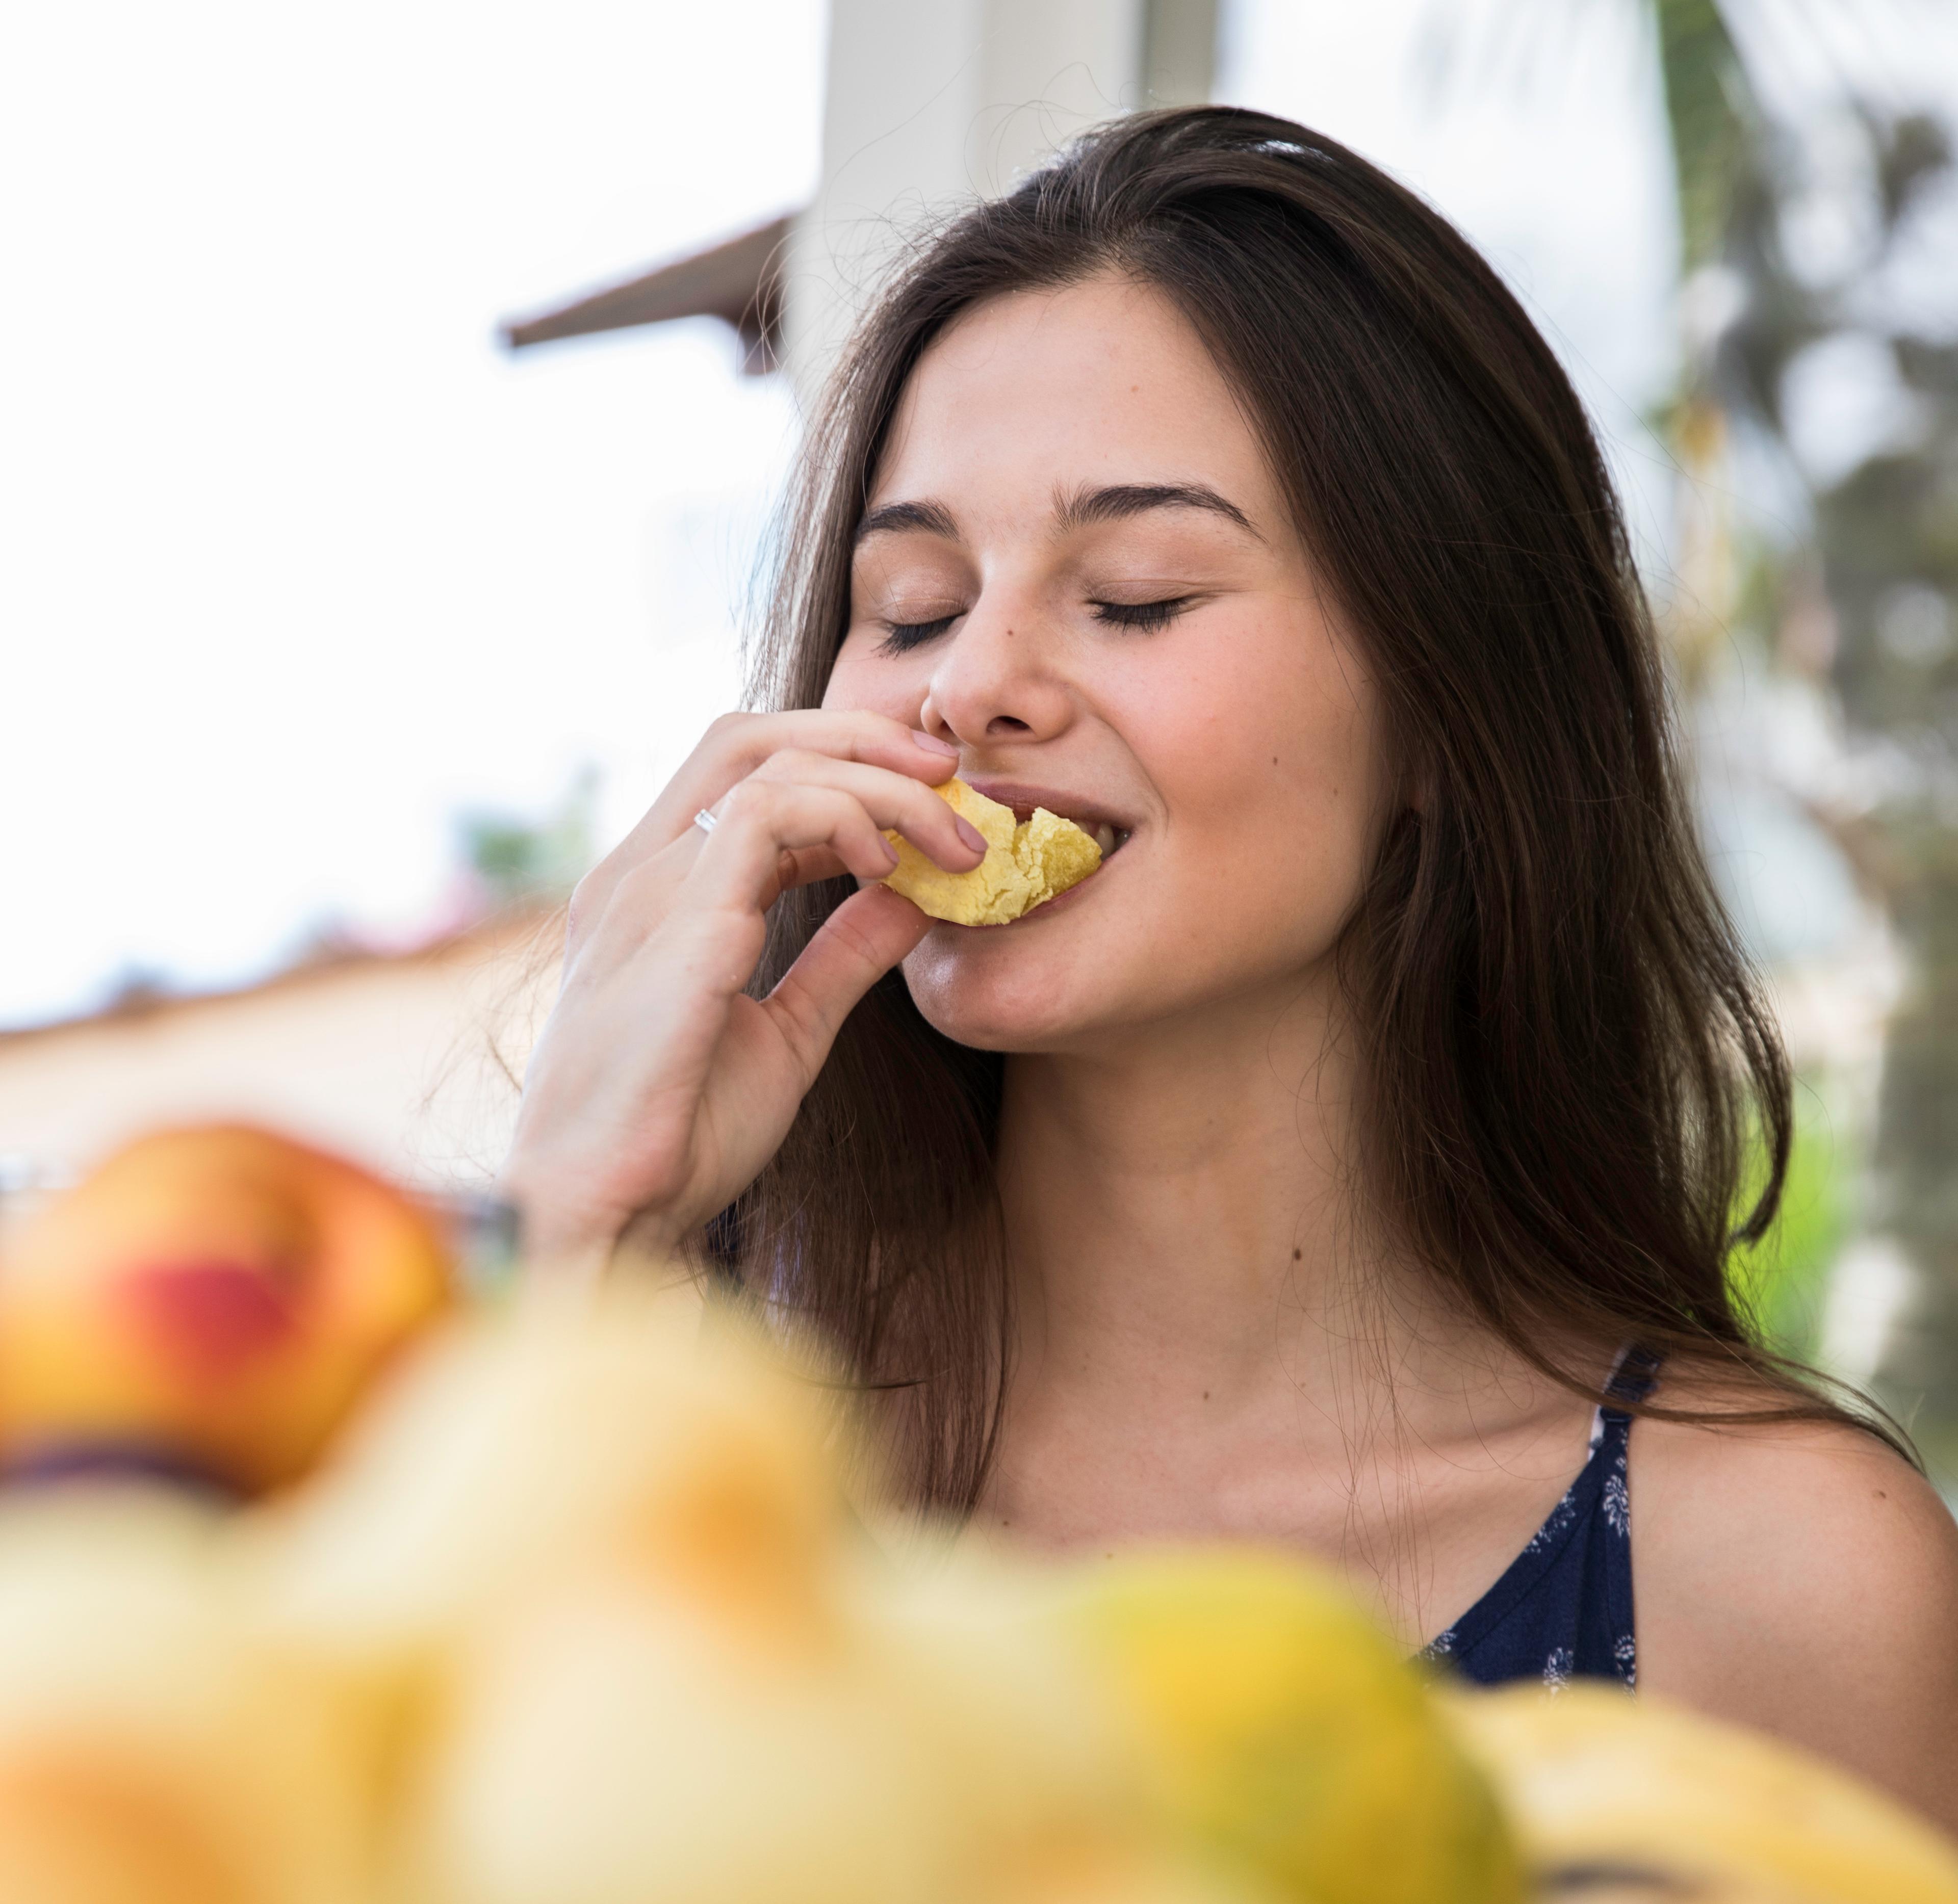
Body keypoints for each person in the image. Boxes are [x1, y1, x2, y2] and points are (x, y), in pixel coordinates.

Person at [500, 108, 1958, 1829]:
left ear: (1440, 711)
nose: (970, 686)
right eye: (909, 605)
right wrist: (598, 1249)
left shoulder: (1784, 1580)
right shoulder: (724, 1481)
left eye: (1133, 594)